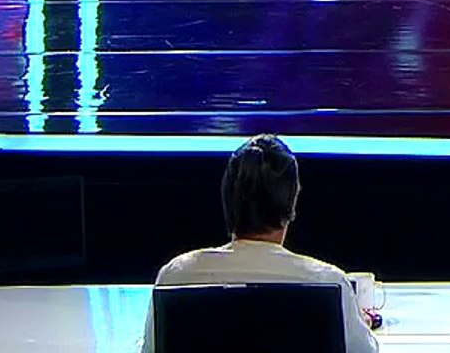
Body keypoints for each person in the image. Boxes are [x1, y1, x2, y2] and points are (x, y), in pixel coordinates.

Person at [142, 135, 379, 353]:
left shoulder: (175, 277)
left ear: (228, 198)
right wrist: (356, 322)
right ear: (292, 201)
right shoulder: (329, 282)